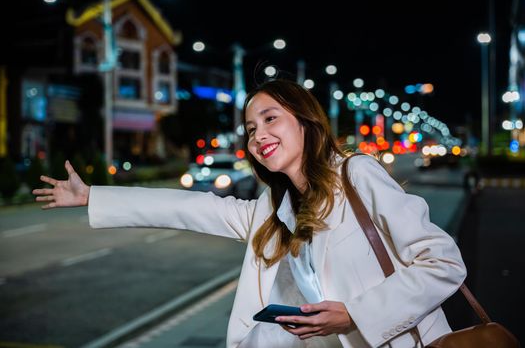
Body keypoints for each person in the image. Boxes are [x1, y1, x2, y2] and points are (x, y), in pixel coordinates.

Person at [33, 78, 466, 348]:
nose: (259, 135)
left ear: (305, 121)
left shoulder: (357, 174)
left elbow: (444, 263)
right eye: (251, 128)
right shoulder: (271, 213)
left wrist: (356, 314)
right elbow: (186, 207)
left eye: (270, 118)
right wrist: (93, 197)